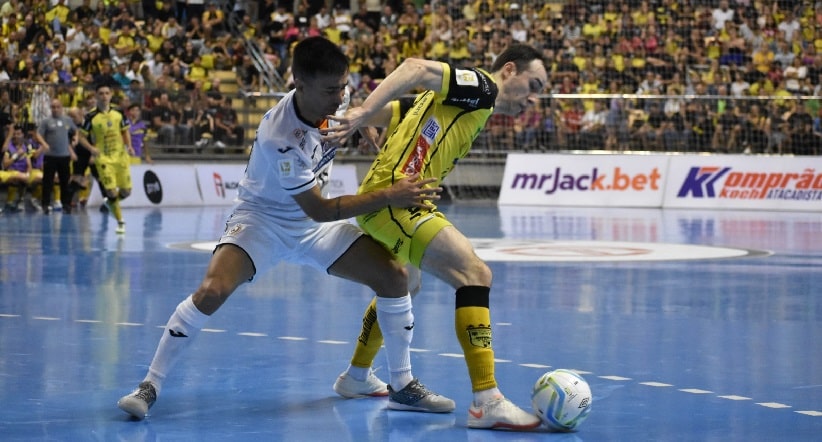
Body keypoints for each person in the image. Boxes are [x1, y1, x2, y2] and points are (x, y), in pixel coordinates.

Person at [116, 37, 453, 421]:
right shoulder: (280, 138)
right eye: (330, 90)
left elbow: (349, 111)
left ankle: (399, 384)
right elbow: (320, 209)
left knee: (395, 277)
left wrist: (362, 126)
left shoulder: (337, 99)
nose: (339, 97)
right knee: (212, 291)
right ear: (300, 84)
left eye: (343, 87)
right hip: (262, 222)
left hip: (310, 228)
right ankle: (150, 385)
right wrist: (390, 195)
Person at [325, 43, 549, 430]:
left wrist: (365, 116)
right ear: (510, 70)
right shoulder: (482, 87)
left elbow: (399, 109)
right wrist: (360, 114)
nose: (534, 98)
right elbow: (414, 66)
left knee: (402, 284)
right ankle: (487, 401)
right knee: (474, 274)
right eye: (534, 86)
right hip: (395, 201)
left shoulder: (460, 102)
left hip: (395, 198)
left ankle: (357, 377)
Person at [76, 84, 134, 234]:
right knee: (111, 192)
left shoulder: (119, 112)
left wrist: (129, 146)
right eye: (101, 93)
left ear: (111, 95)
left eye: (107, 93)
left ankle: (110, 204)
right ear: (96, 96)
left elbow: (125, 131)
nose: (104, 96)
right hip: (104, 158)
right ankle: (120, 222)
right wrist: (91, 149)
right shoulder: (91, 116)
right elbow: (81, 137)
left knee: (126, 192)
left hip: (120, 157)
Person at [38, 99, 77, 214]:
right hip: (50, 156)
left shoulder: (68, 120)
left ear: (61, 108)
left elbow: (76, 130)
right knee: (47, 181)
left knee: (65, 181)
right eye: (53, 107)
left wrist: (76, 139)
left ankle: (66, 204)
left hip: (64, 156)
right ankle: (45, 204)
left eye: (57, 107)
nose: (55, 109)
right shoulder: (46, 121)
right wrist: (44, 144)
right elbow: (38, 134)